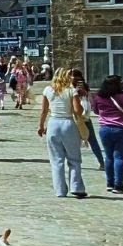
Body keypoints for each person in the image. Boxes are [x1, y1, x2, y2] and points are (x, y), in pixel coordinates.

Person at [39, 68, 87, 198]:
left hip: (53, 123)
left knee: (56, 160)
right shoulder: (71, 91)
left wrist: (41, 126)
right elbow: (78, 110)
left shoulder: (48, 90)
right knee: (74, 158)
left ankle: (60, 190)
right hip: (68, 123)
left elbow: (43, 111)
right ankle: (76, 186)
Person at [70, 69, 105, 171]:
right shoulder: (74, 87)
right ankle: (101, 162)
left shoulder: (75, 88)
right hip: (84, 117)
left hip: (78, 117)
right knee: (92, 141)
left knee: (79, 141)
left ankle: (74, 162)